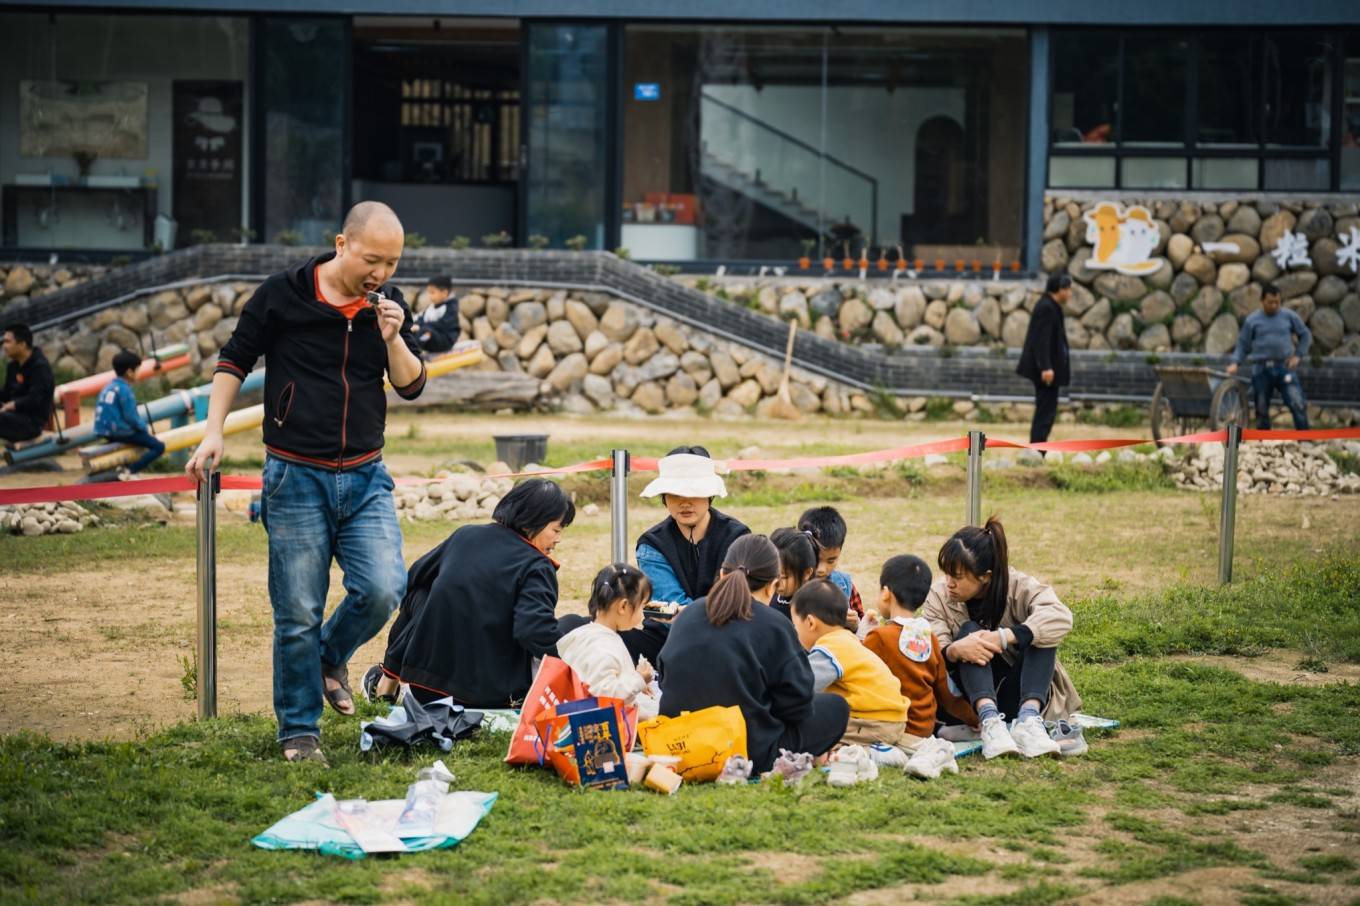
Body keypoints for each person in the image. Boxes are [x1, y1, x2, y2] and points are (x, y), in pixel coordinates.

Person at [186, 201, 427, 765]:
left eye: (392, 263)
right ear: (342, 244)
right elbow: (233, 362)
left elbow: (412, 385)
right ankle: (299, 731)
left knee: (385, 587)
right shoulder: (283, 294)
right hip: (295, 475)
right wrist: (213, 432)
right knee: (296, 609)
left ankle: (328, 656)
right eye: (373, 259)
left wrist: (394, 337)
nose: (382, 274)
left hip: (366, 476)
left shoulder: (387, 308)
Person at [376, 478, 573, 711]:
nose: (558, 539)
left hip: (425, 690)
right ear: (535, 521)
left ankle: (386, 682)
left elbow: (415, 578)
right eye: (556, 530)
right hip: (492, 697)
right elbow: (533, 631)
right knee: (568, 626)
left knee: (422, 592)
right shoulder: (537, 565)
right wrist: (574, 656)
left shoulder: (465, 535)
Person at [657, 535, 849, 773]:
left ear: (722, 575)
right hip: (747, 752)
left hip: (680, 745)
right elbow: (798, 705)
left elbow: (665, 680)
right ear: (772, 585)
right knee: (836, 708)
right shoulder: (775, 624)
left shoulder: (687, 614)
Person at [922, 517, 1081, 760]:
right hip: (969, 701)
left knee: (1041, 634)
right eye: (946, 573)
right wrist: (955, 650)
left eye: (957, 576)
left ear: (985, 576)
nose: (949, 583)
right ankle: (991, 724)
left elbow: (1059, 616)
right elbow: (935, 649)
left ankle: (1029, 722)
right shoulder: (939, 595)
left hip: (1020, 691)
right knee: (969, 632)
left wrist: (1005, 638)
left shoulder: (1017, 585)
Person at [628, 446, 750, 664]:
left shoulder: (737, 537)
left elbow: (733, 602)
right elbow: (671, 609)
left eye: (693, 492)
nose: (685, 502)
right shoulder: (651, 545)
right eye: (675, 494)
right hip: (667, 641)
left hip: (725, 640)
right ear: (664, 497)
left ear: (709, 495)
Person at [863, 555, 979, 777]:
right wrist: (974, 718)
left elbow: (856, 668)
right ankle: (938, 736)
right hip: (924, 729)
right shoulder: (929, 638)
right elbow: (947, 692)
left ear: (886, 593)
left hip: (898, 730)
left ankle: (900, 751)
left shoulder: (878, 637)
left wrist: (862, 633)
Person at [789, 579, 913, 765]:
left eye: (795, 627)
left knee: (815, 735)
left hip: (872, 722)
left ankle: (870, 753)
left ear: (810, 623)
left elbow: (804, 686)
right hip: (892, 718)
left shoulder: (829, 648)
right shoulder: (847, 640)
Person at [557, 563, 659, 720]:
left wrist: (634, 680)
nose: (643, 615)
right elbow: (604, 697)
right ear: (623, 606)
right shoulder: (603, 648)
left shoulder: (587, 635)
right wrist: (638, 680)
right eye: (641, 607)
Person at [1226, 283, 1311, 430]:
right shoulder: (1252, 320)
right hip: (1261, 369)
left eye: (1277, 302)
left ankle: (1305, 439)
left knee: (1297, 402)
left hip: (1285, 367)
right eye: (1270, 302)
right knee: (1261, 407)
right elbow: (1243, 344)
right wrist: (1235, 362)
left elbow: (1305, 335)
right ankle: (1264, 442)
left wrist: (1298, 356)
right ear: (1262, 301)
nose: (1274, 305)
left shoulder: (1289, 316)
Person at [1016, 273, 1072, 446]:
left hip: (1050, 370)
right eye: (1068, 289)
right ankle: (1037, 449)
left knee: (1047, 411)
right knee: (1044, 412)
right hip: (1046, 372)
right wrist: (1046, 367)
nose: (1070, 293)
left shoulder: (1051, 306)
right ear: (1059, 289)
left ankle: (1039, 448)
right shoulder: (1046, 308)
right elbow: (1041, 341)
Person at [94, 350, 166, 476]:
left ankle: (125, 468)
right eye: (138, 369)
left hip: (103, 431)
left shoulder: (108, 387)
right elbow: (131, 417)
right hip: (120, 432)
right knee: (159, 447)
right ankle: (129, 471)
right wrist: (145, 428)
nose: (139, 372)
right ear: (130, 372)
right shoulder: (125, 390)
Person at [797, 506, 865, 627]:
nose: (822, 569)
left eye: (831, 561)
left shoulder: (845, 586)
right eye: (816, 559)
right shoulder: (790, 585)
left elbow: (862, 629)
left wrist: (855, 625)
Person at [0, 323, 54, 444]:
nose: (4, 346)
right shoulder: (12, 366)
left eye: (8, 342)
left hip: (31, 423)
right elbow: (6, 395)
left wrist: (12, 405)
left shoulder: (40, 367)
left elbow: (36, 399)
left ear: (22, 344)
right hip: (12, 417)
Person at [769, 527, 819, 619]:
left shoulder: (818, 606)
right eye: (773, 573)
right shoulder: (768, 596)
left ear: (807, 573)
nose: (775, 582)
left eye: (784, 577)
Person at [414, 276, 461, 355]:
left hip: (445, 340)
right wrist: (415, 325)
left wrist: (420, 327)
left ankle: (415, 351)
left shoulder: (451, 307)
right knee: (413, 329)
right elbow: (423, 318)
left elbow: (442, 325)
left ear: (444, 293)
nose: (429, 295)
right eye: (429, 292)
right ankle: (410, 348)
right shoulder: (432, 306)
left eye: (432, 292)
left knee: (426, 332)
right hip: (432, 338)